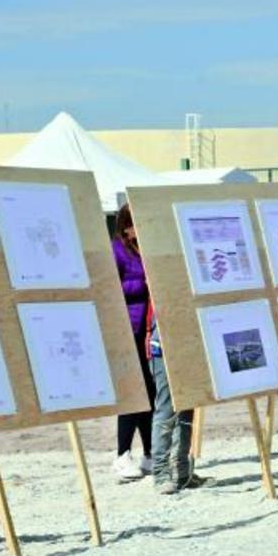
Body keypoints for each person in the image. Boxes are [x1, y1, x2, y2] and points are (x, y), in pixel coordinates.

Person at [112, 203, 158, 481]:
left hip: (147, 329)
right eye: (135, 223)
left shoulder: (144, 247)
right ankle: (122, 454)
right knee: (132, 393)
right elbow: (110, 288)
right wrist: (143, 284)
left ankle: (150, 452)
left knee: (149, 392)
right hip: (128, 328)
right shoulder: (117, 250)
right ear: (126, 226)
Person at [145, 304, 206, 494]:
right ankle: (160, 473)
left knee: (187, 405)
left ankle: (181, 471)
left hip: (189, 337)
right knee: (166, 408)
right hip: (164, 339)